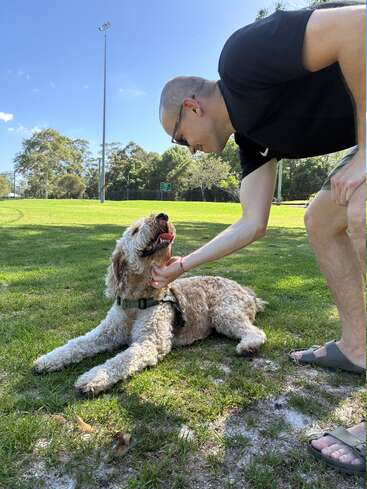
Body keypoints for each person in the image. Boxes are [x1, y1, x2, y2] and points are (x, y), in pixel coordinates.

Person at [153, 1, 366, 475]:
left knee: (361, 208)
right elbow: (253, 223)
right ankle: (357, 347)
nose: (186, 150)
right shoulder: (251, 138)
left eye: (178, 137)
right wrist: (182, 266)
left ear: (192, 107)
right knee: (320, 221)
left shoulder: (239, 58)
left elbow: (358, 22)